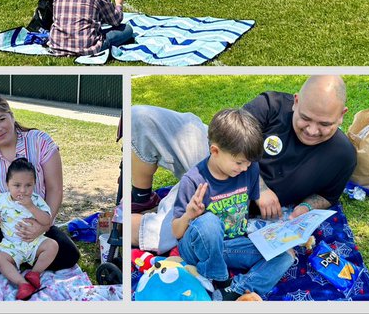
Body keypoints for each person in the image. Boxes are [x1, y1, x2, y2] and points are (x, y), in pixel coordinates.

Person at [131, 76, 357, 255]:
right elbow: (230, 137)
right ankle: (141, 198)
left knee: (163, 234)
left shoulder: (344, 156)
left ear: (341, 116)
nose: (312, 130)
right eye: (305, 118)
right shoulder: (271, 105)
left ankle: (125, 225)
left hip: (229, 205)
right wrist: (261, 188)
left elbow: (328, 195)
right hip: (219, 162)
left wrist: (305, 208)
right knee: (141, 117)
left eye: (325, 124)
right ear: (296, 101)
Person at [172, 108, 295, 301]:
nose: (245, 168)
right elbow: (177, 233)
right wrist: (189, 215)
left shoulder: (249, 170)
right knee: (209, 222)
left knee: (285, 254)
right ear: (215, 151)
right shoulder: (193, 180)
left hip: (231, 246)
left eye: (248, 163)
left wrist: (281, 232)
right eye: (239, 163)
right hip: (197, 249)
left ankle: (234, 291)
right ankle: (220, 280)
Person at [0, 94, 81, 273]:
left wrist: (42, 226)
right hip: (3, 225)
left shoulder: (39, 141)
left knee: (68, 255)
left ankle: (20, 260)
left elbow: (54, 189)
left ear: (12, 116)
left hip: (36, 220)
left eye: (1, 119)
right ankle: (20, 259)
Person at [0, 158, 60, 300]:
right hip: (11, 244)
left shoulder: (36, 200)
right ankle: (22, 283)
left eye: (28, 185)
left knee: (52, 245)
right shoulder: (1, 200)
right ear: (7, 184)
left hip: (35, 242)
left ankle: (34, 273)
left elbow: (47, 220)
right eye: (17, 185)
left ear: (34, 184)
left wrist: (31, 207)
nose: (23, 190)